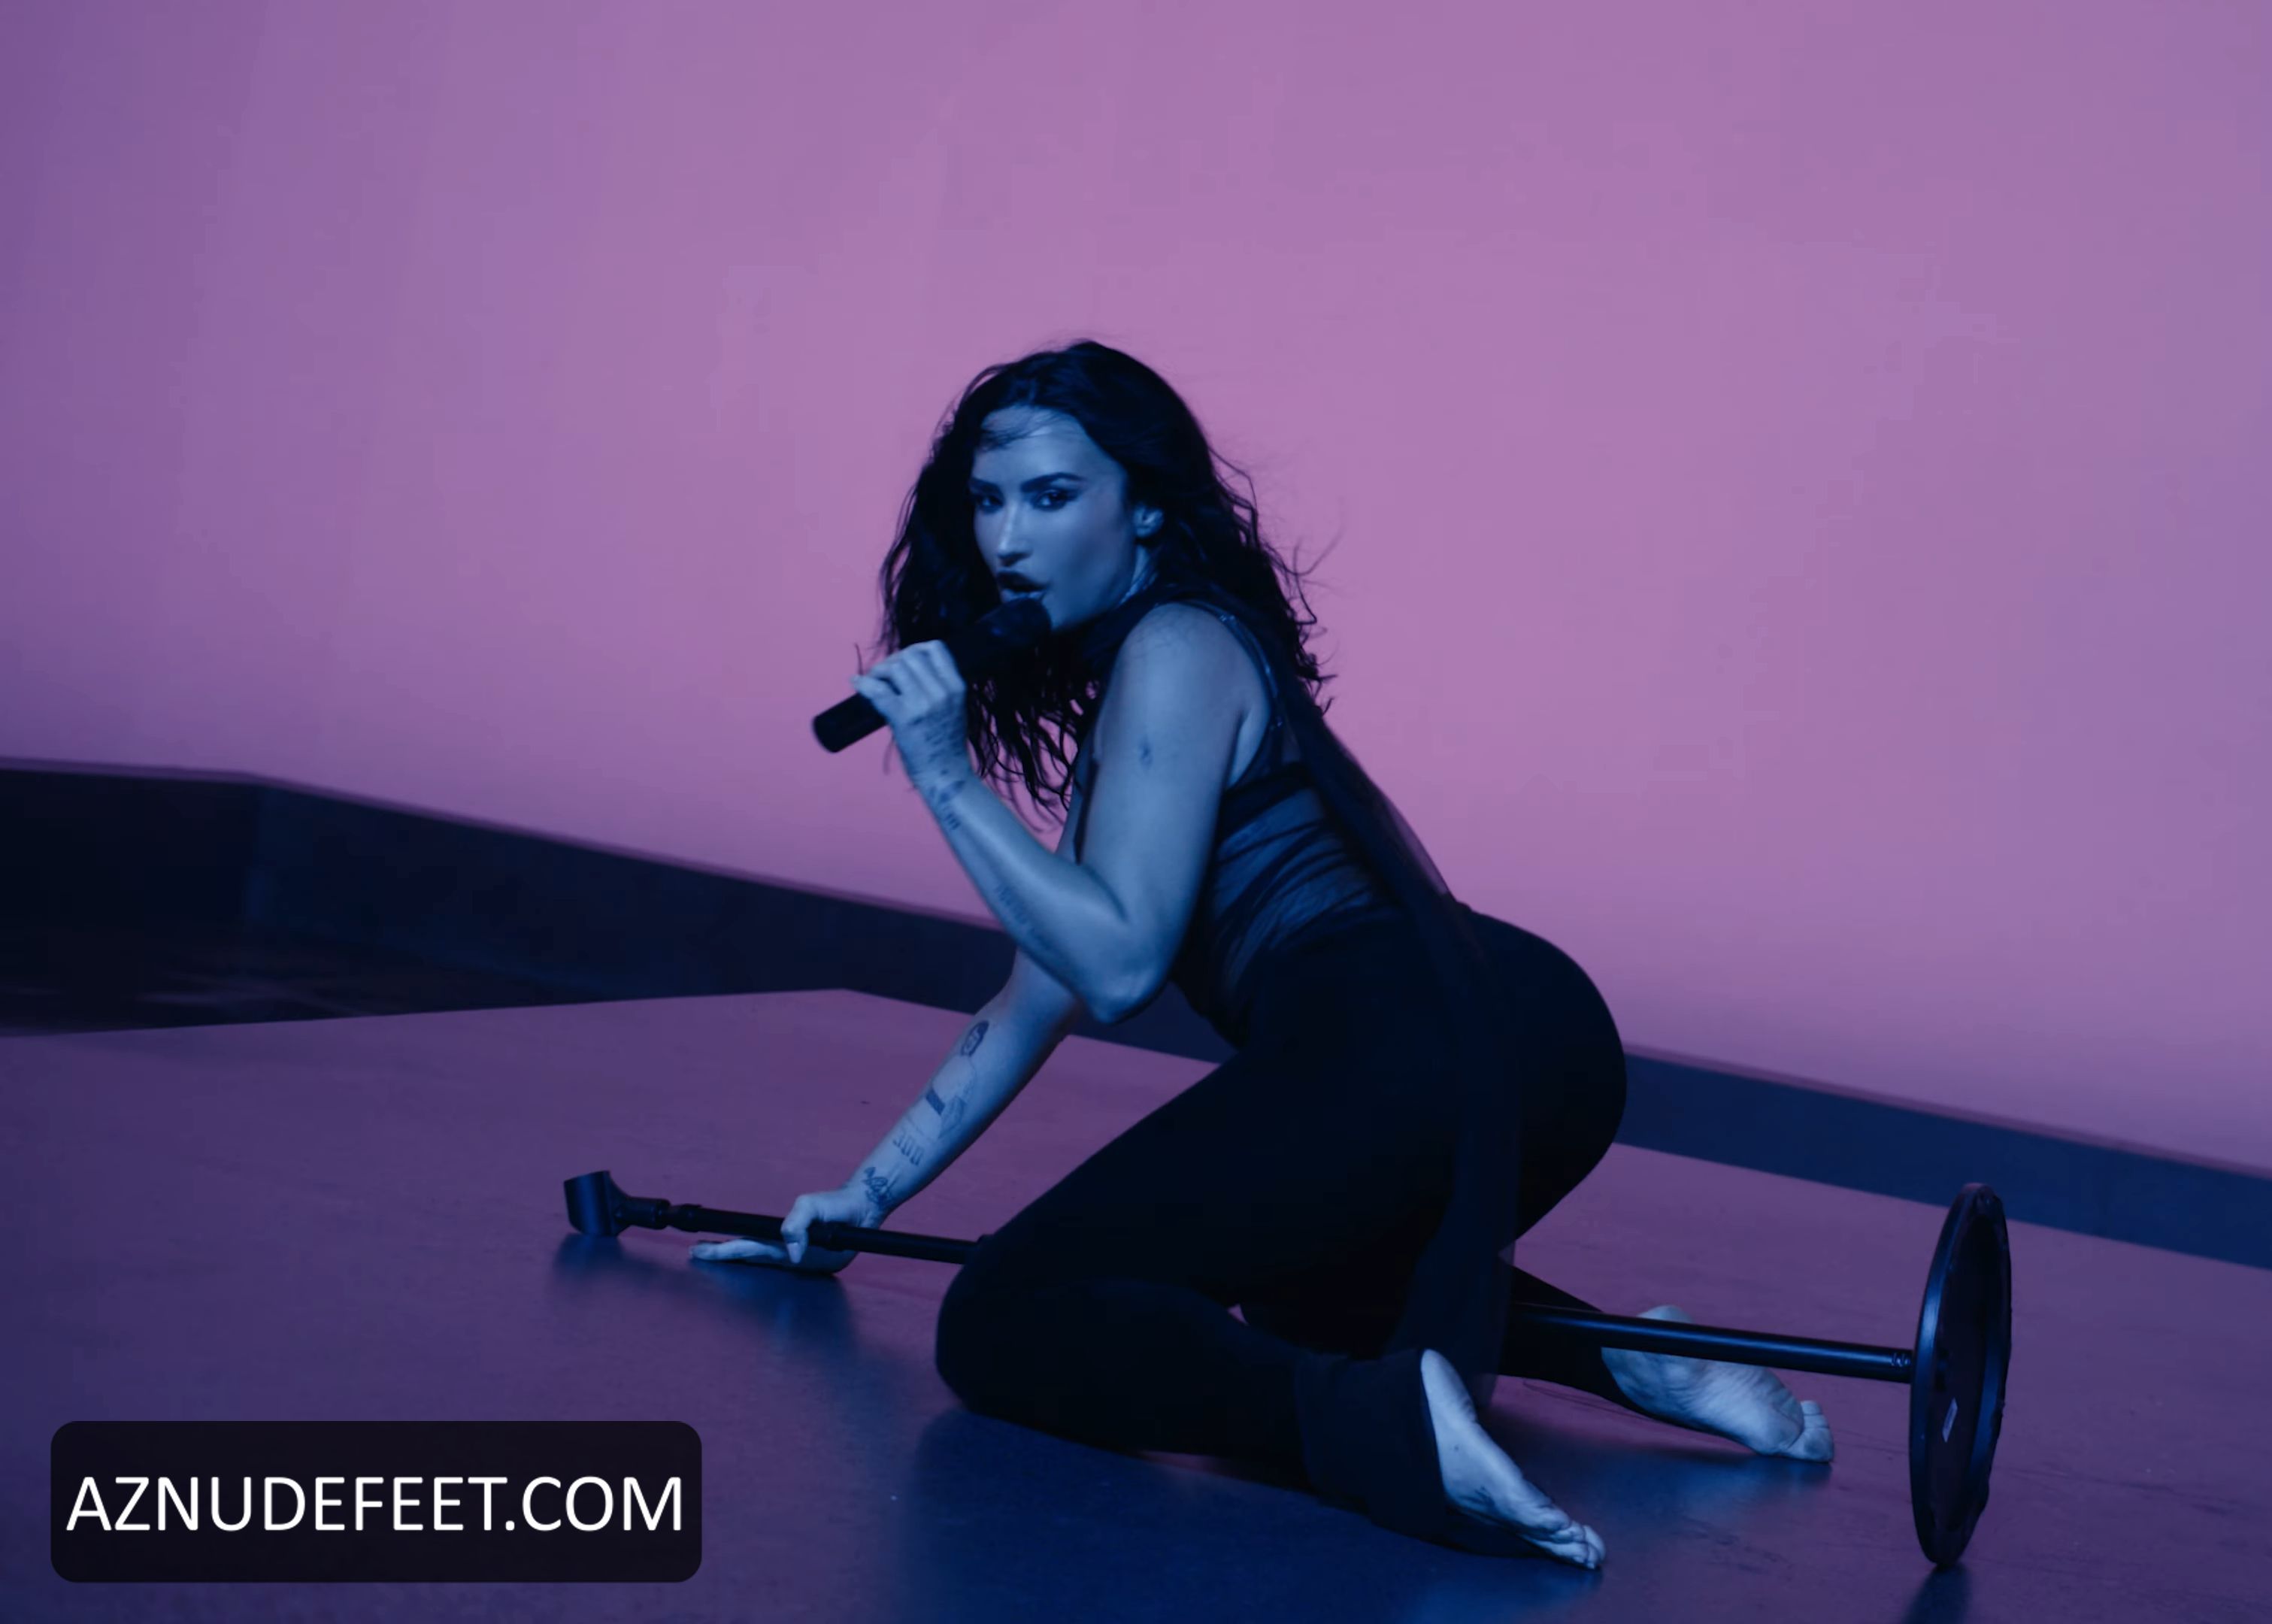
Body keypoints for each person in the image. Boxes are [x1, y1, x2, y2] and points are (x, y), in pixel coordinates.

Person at [693, 341, 1831, 1567]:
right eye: (988, 501)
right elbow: (1039, 992)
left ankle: (1384, 1429)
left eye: (1053, 496)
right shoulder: (1162, 671)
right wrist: (863, 1200)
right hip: (1529, 1036)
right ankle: (1634, 1356)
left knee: (1003, 1317)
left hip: (1409, 1029)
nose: (1009, 541)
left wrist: (943, 772)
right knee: (1299, 1286)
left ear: (1145, 506)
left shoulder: (1175, 650)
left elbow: (1121, 971)